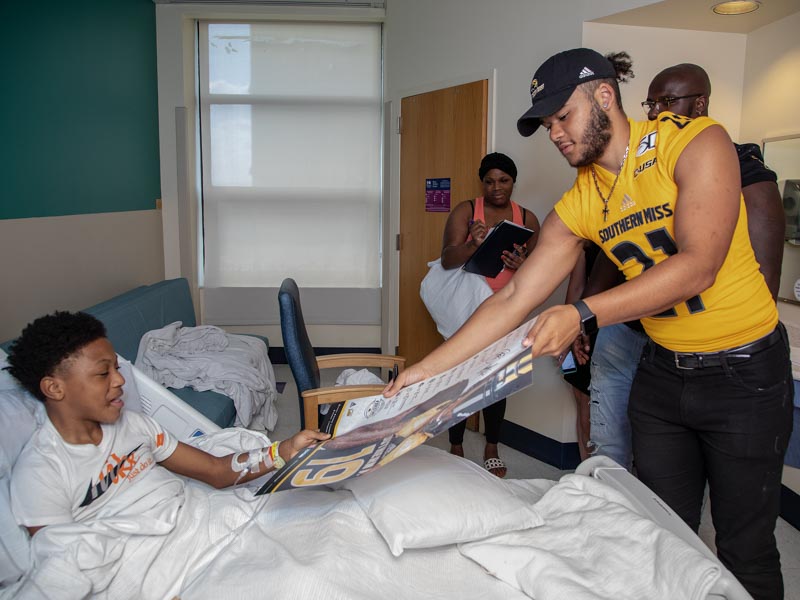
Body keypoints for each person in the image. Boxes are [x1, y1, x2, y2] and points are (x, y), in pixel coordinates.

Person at [385, 48, 792, 600]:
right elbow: (511, 302)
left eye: (563, 117)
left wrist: (580, 310)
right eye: (547, 124)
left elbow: (699, 266)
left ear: (604, 97)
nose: (555, 133)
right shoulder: (582, 200)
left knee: (747, 548)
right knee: (661, 535)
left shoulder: (694, 143)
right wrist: (423, 373)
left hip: (743, 373)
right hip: (662, 376)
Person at [574, 62, 785, 471]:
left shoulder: (741, 168)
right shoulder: (635, 164)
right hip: (636, 333)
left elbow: (760, 280)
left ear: (700, 103)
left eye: (667, 102)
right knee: (617, 453)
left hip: (705, 347)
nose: (655, 113)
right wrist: (585, 315)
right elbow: (614, 244)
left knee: (705, 474)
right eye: (651, 103)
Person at [5, 311, 329, 536]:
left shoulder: (136, 427)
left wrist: (282, 450)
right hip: (141, 568)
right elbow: (63, 571)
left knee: (323, 520)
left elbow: (216, 471)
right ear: (54, 388)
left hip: (195, 523)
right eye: (104, 373)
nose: (120, 381)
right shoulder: (41, 473)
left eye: (117, 368)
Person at [440, 152, 540, 477]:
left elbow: (540, 271)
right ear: (482, 182)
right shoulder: (467, 211)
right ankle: (455, 443)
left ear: (514, 182)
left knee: (498, 379)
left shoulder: (527, 218)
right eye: (489, 181)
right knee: (461, 377)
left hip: (507, 311)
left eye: (504, 180)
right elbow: (447, 260)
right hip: (469, 310)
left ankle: (491, 445)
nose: (496, 187)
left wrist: (523, 265)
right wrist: (474, 244)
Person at [561, 241, 600, 460]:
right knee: (583, 403)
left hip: (628, 329)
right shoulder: (584, 244)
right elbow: (576, 288)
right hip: (586, 327)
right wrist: (567, 334)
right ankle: (586, 470)